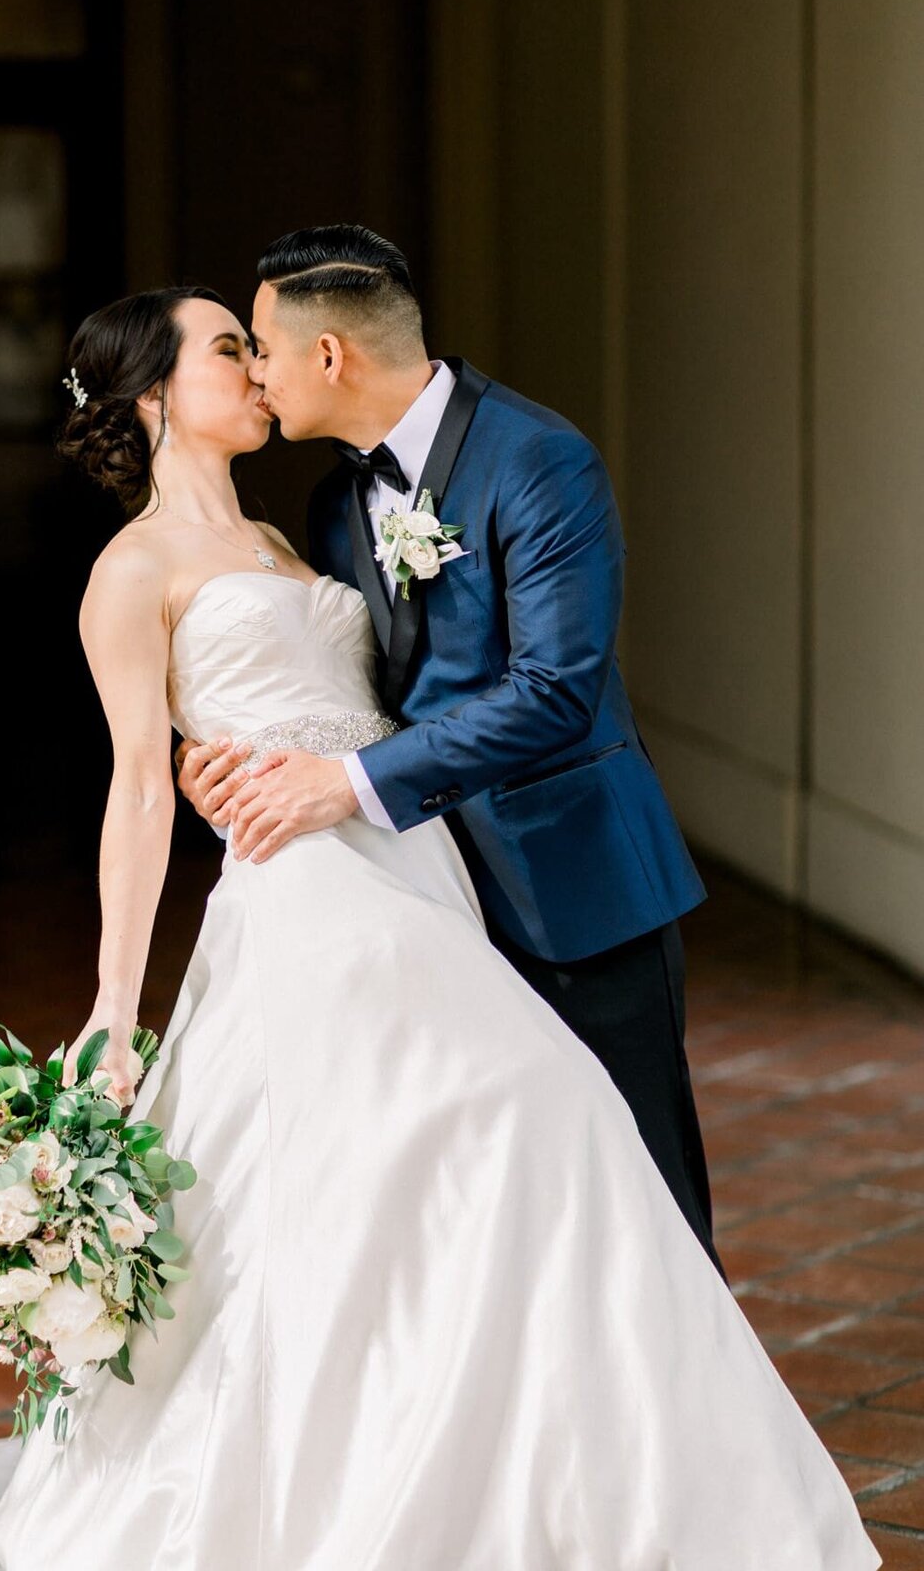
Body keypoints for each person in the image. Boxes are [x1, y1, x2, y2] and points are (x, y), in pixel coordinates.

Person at [0, 283, 881, 1570]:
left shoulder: (311, 540)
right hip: (307, 902)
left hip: (416, 869)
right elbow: (136, 787)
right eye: (227, 350)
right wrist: (115, 1012)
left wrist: (337, 760)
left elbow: (389, 706)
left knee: (453, 1177)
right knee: (517, 1109)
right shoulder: (131, 572)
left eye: (258, 343)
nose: (257, 368)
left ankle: (505, 1453)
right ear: (151, 396)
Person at [179, 225, 722, 1275]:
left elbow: (557, 692)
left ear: (329, 355)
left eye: (261, 345)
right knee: (500, 1202)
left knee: (646, 1191)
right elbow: (354, 693)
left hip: (578, 885)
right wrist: (239, 761)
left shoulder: (540, 459)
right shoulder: (337, 504)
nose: (253, 370)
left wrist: (345, 784)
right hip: (427, 899)